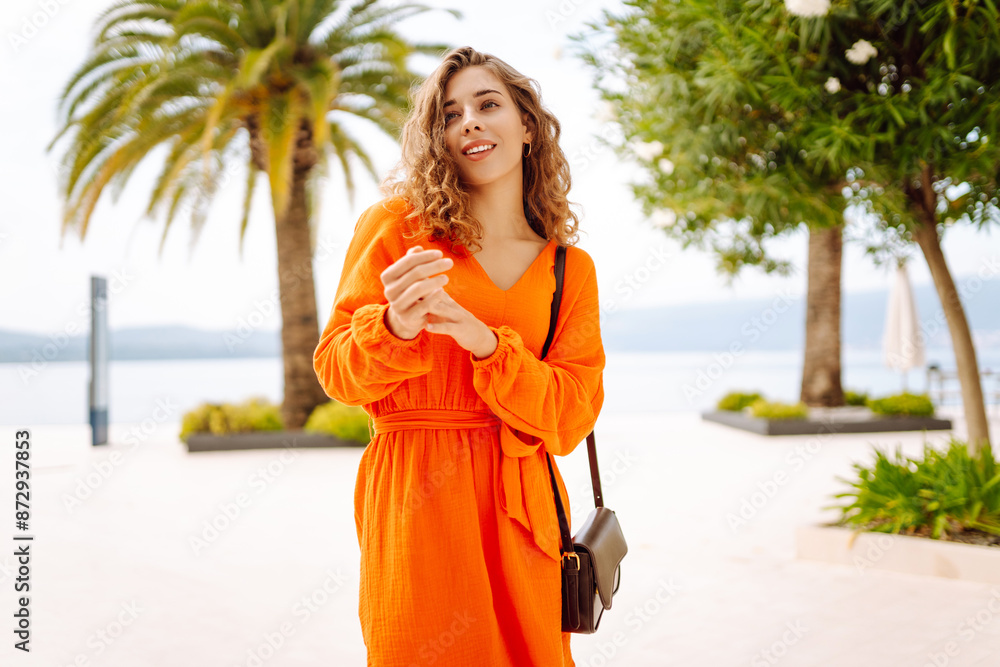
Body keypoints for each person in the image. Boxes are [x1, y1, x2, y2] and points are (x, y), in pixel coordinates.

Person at [313, 45, 605, 667]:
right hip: (417, 499)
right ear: (437, 139)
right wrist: (393, 325)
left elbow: (574, 416)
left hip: (523, 510)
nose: (468, 121)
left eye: (487, 104)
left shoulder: (568, 268)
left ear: (527, 127)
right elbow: (337, 372)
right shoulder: (396, 228)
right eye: (449, 114)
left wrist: (484, 343)